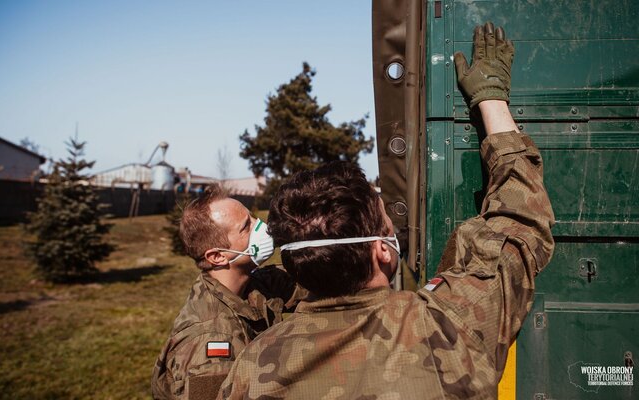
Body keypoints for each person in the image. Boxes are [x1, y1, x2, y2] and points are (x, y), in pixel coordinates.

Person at [217, 22, 555, 399]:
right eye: (385, 222)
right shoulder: (449, 325)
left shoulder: (252, 367)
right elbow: (520, 219)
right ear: (381, 249)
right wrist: (491, 98)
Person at [151, 184, 304, 400]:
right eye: (246, 227)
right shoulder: (210, 343)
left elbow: (313, 281)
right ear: (217, 257)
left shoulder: (252, 284)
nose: (263, 227)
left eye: (252, 218)